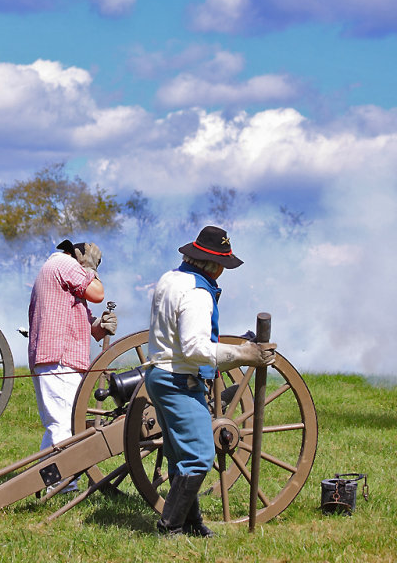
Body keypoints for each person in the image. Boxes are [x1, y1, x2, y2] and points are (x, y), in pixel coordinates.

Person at [145, 225, 277, 537]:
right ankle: (170, 527)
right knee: (200, 456)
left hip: (161, 374)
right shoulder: (198, 294)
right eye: (223, 266)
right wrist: (245, 354)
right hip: (179, 379)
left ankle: (191, 523)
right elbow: (195, 347)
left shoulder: (170, 278)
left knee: (180, 455)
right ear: (215, 265)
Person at [27, 239, 117, 491]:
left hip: (58, 355)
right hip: (59, 357)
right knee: (63, 423)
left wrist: (102, 325)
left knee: (60, 422)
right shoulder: (64, 263)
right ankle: (62, 485)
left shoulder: (57, 271)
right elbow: (98, 293)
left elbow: (87, 320)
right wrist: (90, 270)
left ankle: (50, 480)